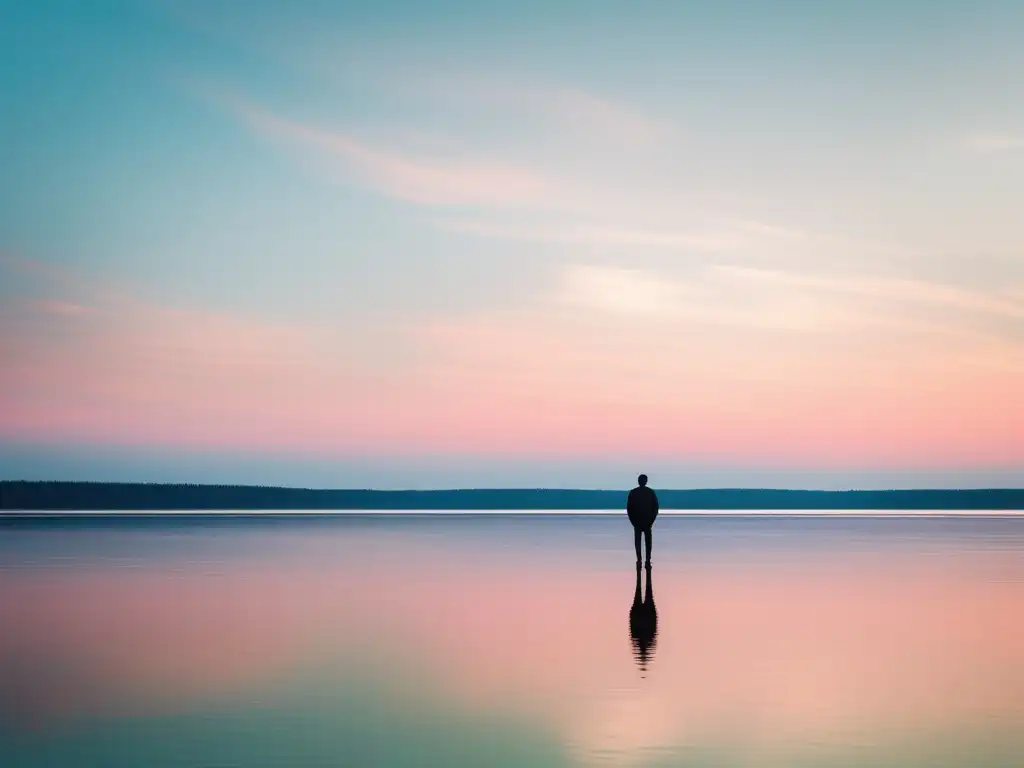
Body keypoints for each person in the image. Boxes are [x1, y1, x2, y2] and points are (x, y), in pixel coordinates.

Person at [626, 474, 659, 566]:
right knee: (646, 542)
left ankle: (641, 560)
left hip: (642, 522)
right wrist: (651, 519)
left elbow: (629, 509)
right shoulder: (649, 492)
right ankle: (645, 560)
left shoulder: (634, 492)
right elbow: (655, 508)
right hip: (643, 522)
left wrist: (633, 521)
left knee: (640, 542)